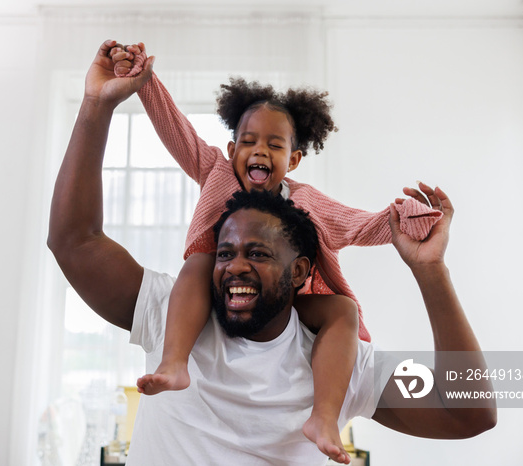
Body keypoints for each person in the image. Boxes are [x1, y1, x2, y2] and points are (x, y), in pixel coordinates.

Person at [47, 40, 496, 466]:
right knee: (199, 262)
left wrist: (428, 264)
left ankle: (322, 418)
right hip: (184, 328)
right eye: (227, 251)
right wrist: (103, 101)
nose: (236, 265)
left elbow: (470, 412)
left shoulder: (337, 362)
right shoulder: (174, 308)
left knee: (342, 310)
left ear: (300, 269)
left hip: (317, 318)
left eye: (258, 254)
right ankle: (175, 362)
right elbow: (75, 239)